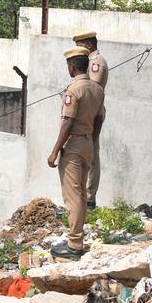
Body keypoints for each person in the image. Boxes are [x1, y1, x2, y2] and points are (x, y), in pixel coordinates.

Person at [47, 46, 104, 259]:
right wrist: (93, 138)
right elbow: (100, 118)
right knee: (80, 193)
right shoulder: (97, 89)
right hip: (88, 143)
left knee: (73, 197)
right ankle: (77, 239)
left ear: (72, 67)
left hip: (73, 146)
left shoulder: (73, 90)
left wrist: (54, 151)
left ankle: (74, 244)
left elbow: (67, 122)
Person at [72, 30, 109, 208]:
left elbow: (91, 89)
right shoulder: (90, 62)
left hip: (92, 113)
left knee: (92, 153)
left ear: (88, 45)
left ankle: (89, 197)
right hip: (86, 112)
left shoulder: (97, 62)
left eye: (79, 46)